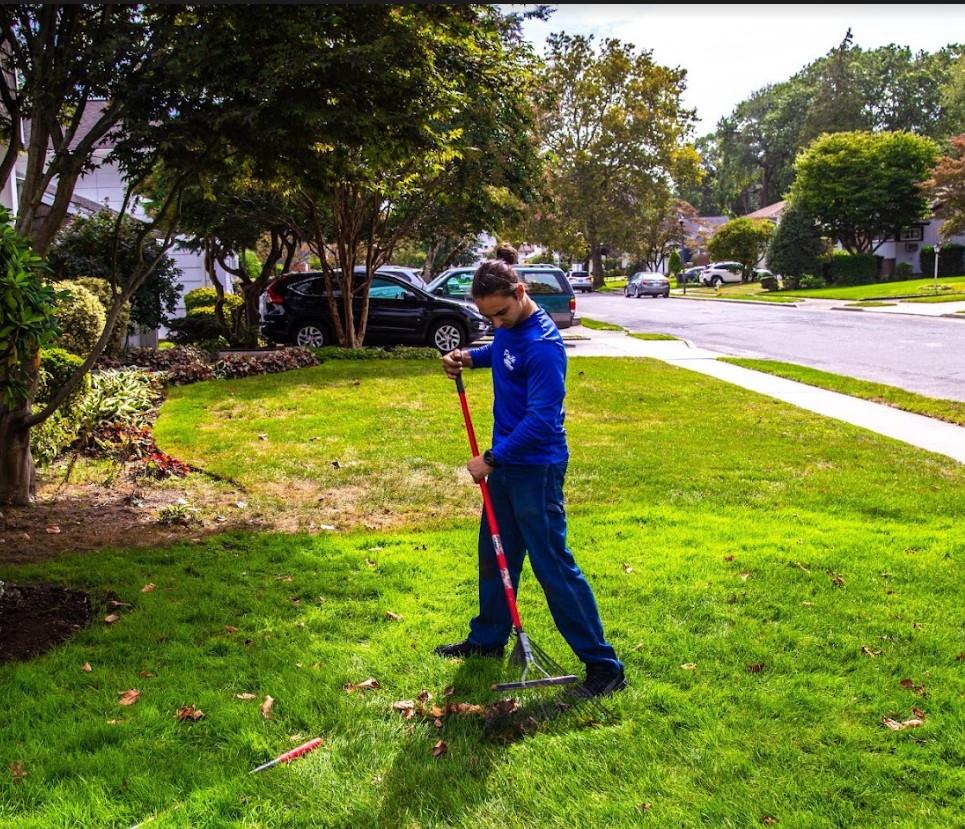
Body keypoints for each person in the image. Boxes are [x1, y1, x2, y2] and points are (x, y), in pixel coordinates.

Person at [434, 259, 626, 697]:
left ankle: (603, 665)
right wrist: (468, 356)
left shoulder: (544, 345)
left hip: (535, 469)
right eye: (488, 317)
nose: (495, 322)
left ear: (520, 292)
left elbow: (541, 421)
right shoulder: (510, 328)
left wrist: (491, 458)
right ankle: (488, 639)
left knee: (552, 564)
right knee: (496, 551)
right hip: (505, 465)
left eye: (500, 314)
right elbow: (503, 353)